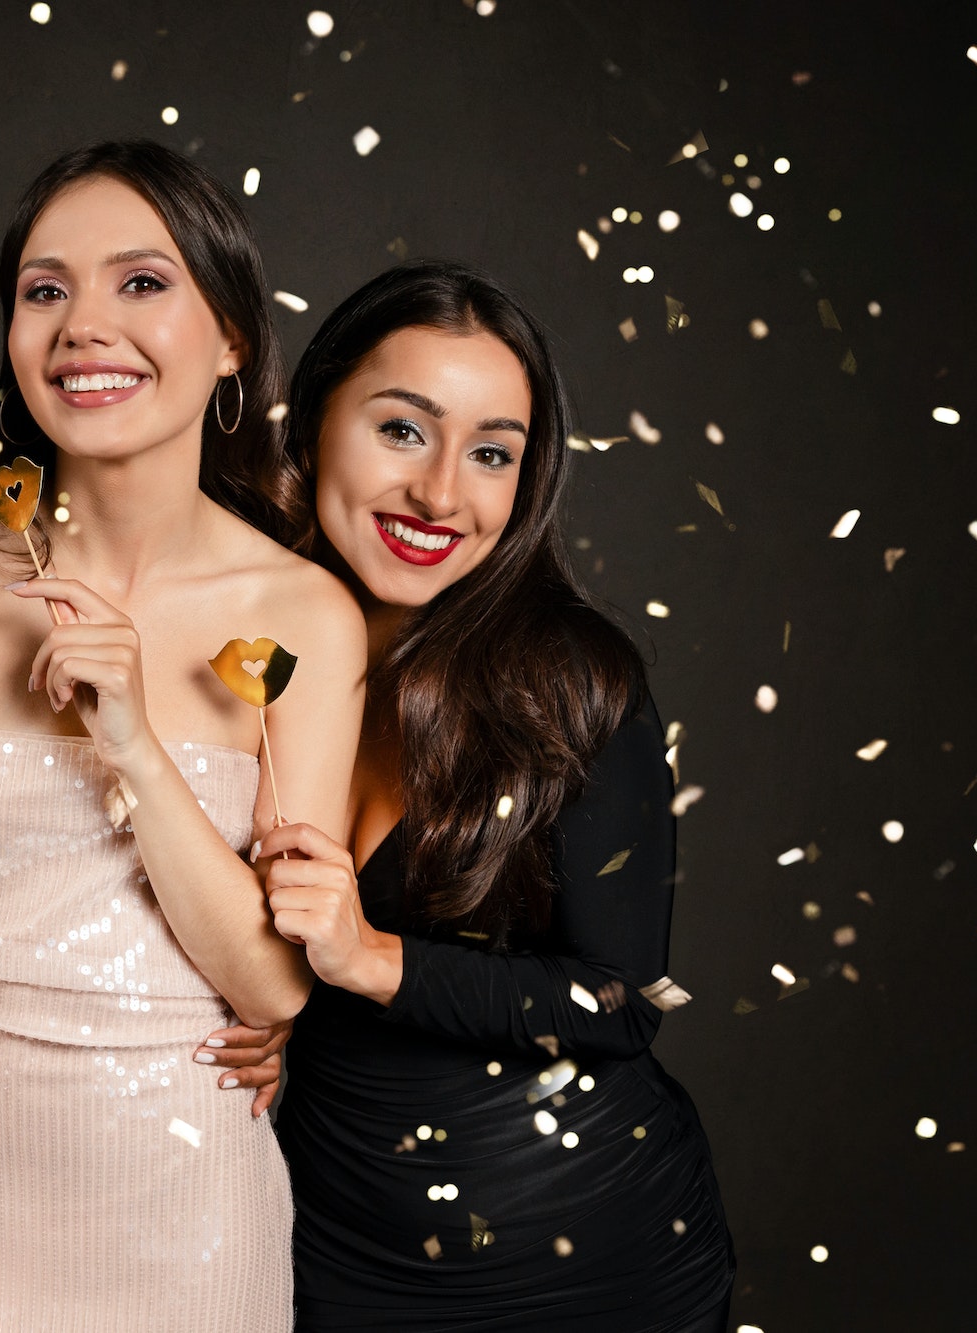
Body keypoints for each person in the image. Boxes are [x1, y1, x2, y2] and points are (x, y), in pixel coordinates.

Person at [0, 141, 365, 1331]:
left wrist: (130, 741)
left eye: (141, 283)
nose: (85, 325)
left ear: (231, 336)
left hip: (190, 1211)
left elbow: (270, 983)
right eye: (45, 290)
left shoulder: (304, 616)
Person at [261, 261, 736, 1330]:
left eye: (489, 455)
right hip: (332, 1248)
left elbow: (620, 998)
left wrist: (370, 959)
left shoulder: (569, 675)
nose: (439, 493)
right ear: (314, 420)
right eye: (400, 430)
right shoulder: (238, 653)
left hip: (585, 1263)